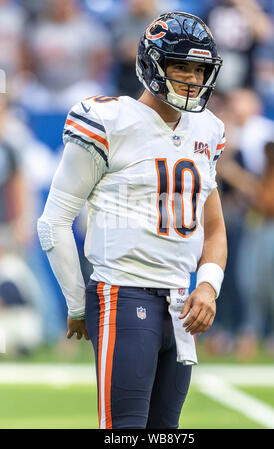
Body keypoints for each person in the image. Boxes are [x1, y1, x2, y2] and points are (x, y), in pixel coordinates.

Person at [37, 12, 227, 429]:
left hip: (180, 303)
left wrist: (208, 287)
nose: (192, 78)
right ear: (152, 64)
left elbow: (214, 229)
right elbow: (53, 221)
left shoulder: (208, 129)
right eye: (180, 65)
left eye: (199, 69)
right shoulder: (109, 121)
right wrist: (75, 304)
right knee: (125, 431)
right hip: (122, 293)